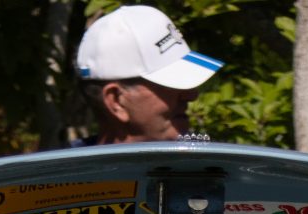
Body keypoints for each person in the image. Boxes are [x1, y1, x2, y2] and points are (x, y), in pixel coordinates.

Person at [74, 5, 221, 142]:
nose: (192, 95)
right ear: (117, 101)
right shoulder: (63, 169)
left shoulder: (214, 167)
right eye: (170, 83)